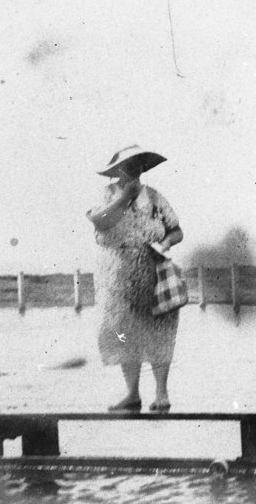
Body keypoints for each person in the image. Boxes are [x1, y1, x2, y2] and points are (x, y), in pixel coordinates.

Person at [87, 145, 184, 412]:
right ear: (117, 169)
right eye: (127, 165)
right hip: (117, 270)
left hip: (153, 267)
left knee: (159, 328)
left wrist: (165, 242)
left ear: (143, 167)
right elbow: (99, 221)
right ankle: (132, 393)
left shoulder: (154, 196)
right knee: (122, 329)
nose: (133, 169)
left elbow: (176, 230)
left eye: (137, 163)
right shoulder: (107, 194)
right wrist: (124, 198)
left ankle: (161, 392)